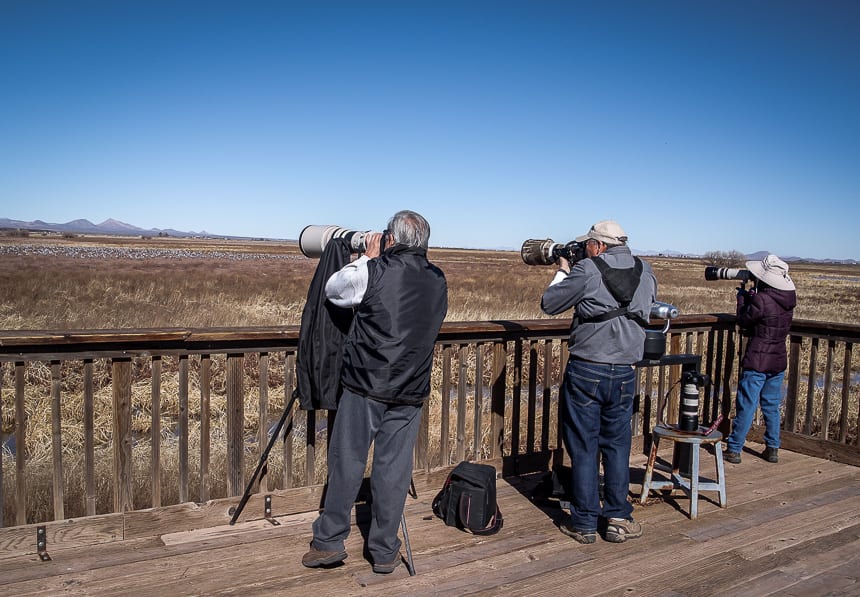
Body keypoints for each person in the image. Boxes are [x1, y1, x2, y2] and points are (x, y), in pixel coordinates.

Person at [302, 210, 448, 574]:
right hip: (411, 389)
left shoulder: (373, 271)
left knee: (348, 462)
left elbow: (334, 290)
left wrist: (367, 256)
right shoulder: (438, 279)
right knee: (394, 470)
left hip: (366, 385)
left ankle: (329, 542)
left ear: (392, 239)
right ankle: (384, 551)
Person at [541, 220, 657, 544]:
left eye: (588, 245)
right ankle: (618, 517)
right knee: (617, 446)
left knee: (584, 446)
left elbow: (550, 303)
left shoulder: (589, 270)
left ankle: (585, 522)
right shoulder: (646, 272)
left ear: (599, 246)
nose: (585, 249)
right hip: (624, 372)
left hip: (587, 371)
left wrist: (564, 269)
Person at [724, 254, 796, 464]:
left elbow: (744, 321)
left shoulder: (762, 300)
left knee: (747, 404)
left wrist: (742, 299)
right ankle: (772, 447)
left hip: (758, 359)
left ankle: (735, 448)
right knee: (771, 405)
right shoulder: (788, 300)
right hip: (778, 360)